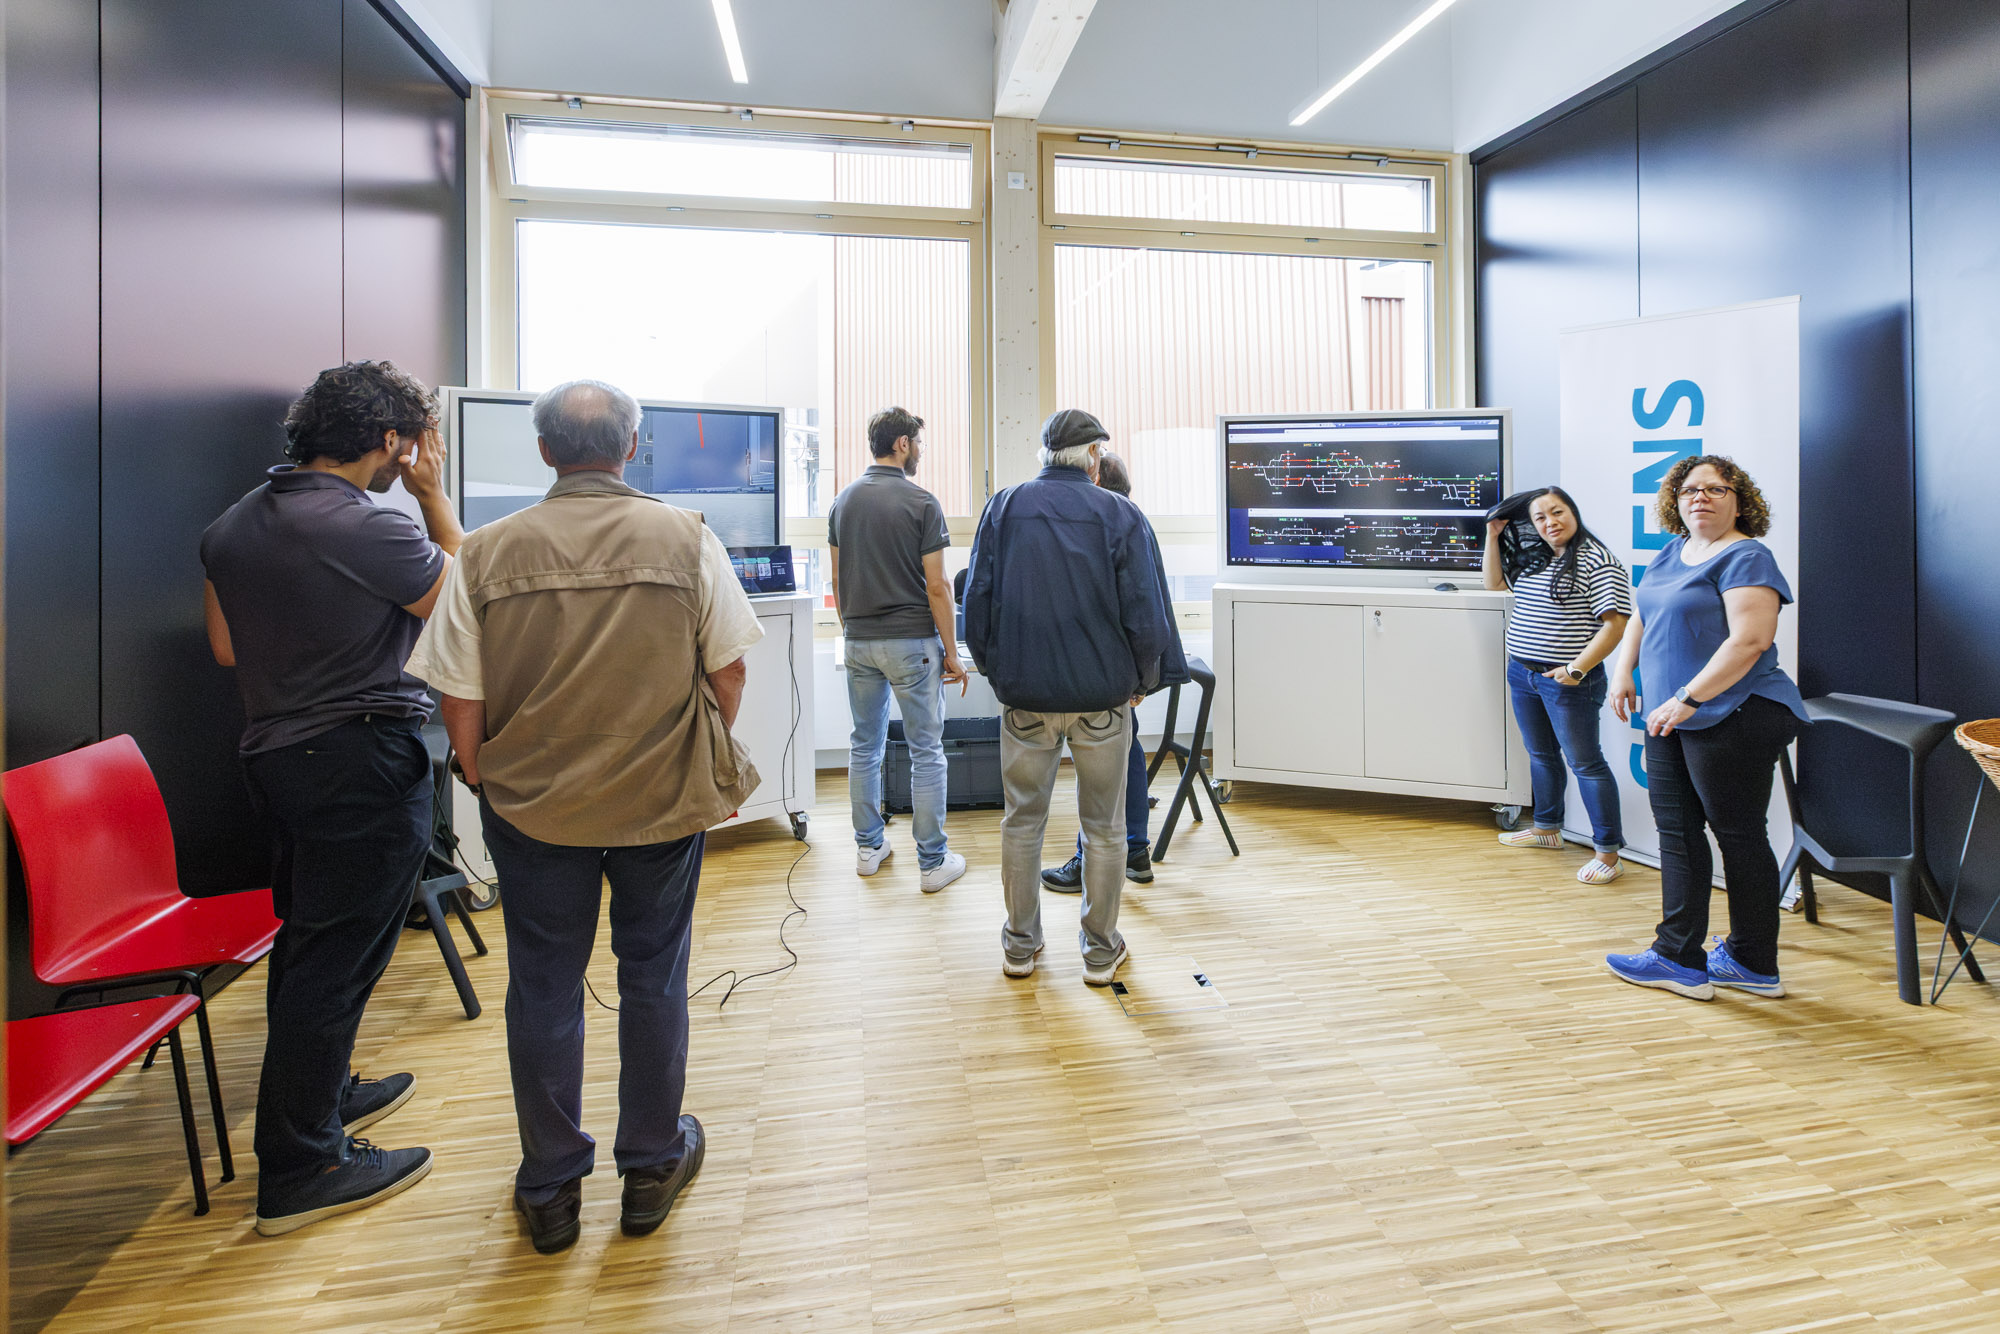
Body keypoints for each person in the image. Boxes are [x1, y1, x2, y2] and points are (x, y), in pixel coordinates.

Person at [407, 379, 765, 1254]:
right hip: (660, 801)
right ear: (633, 447)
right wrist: (693, 750)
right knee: (654, 976)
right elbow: (729, 670)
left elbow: (459, 691)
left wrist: (484, 775)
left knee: (542, 986)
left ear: (544, 451)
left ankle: (551, 1185)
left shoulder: (485, 552)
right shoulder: (688, 537)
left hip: (532, 806)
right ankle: (651, 1166)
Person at [200, 360, 461, 1236]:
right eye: (411, 443)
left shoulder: (234, 524)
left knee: (312, 945)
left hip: (277, 759)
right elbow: (465, 612)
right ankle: (303, 1167)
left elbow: (227, 648)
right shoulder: (366, 524)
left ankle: (319, 1098)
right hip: (358, 761)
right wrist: (433, 499)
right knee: (337, 958)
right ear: (390, 441)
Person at [964, 410, 1174, 986]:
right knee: (1104, 828)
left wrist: (998, 673)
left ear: (1044, 455)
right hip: (1102, 699)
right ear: (1094, 457)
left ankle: (1020, 946)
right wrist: (1139, 683)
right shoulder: (1121, 514)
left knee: (1021, 823)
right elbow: (1147, 616)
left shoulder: (1003, 508)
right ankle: (1101, 953)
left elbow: (976, 603)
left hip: (1026, 697)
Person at [1605, 455, 1808, 1001]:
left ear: (1740, 502)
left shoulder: (1747, 557)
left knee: (1738, 837)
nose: (1701, 497)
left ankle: (1752, 961)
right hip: (1670, 715)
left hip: (1734, 713)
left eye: (1716, 489)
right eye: (1690, 490)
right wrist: (1623, 672)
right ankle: (1678, 957)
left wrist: (1688, 697)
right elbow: (1643, 613)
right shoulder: (1673, 551)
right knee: (1678, 833)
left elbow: (1751, 640)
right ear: (1676, 501)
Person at [826, 407, 969, 894]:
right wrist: (952, 652)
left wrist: (853, 631)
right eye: (919, 444)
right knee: (926, 751)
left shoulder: (843, 502)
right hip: (912, 644)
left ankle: (869, 849)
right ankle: (932, 863)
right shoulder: (922, 502)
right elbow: (938, 586)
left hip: (859, 641)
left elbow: (837, 579)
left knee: (864, 745)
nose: (920, 453)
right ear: (903, 444)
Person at [1040, 450, 1188, 892]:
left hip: (1108, 667)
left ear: (1096, 482)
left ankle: (1090, 860)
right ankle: (1136, 851)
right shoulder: (1132, 520)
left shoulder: (1109, 524)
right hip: (1129, 665)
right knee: (1127, 752)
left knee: (1099, 769)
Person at [1482, 486, 1633, 883]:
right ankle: (1547, 830)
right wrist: (1493, 536)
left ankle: (1609, 855)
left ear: (1573, 512)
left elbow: (1615, 625)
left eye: (1557, 512)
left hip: (1568, 681)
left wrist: (1576, 670)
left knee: (1587, 764)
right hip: (1523, 674)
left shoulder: (1598, 560)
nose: (1550, 522)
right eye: (1540, 517)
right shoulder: (1536, 557)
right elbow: (1493, 584)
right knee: (1540, 755)